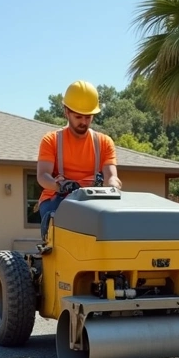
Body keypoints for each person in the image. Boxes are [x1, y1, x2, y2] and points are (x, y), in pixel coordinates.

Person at [34, 80, 122, 245]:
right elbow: (42, 176)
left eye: (88, 117)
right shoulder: (51, 140)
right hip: (57, 199)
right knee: (58, 224)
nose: (83, 122)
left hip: (92, 200)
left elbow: (111, 176)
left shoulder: (104, 142)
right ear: (66, 112)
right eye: (78, 117)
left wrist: (113, 186)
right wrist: (58, 185)